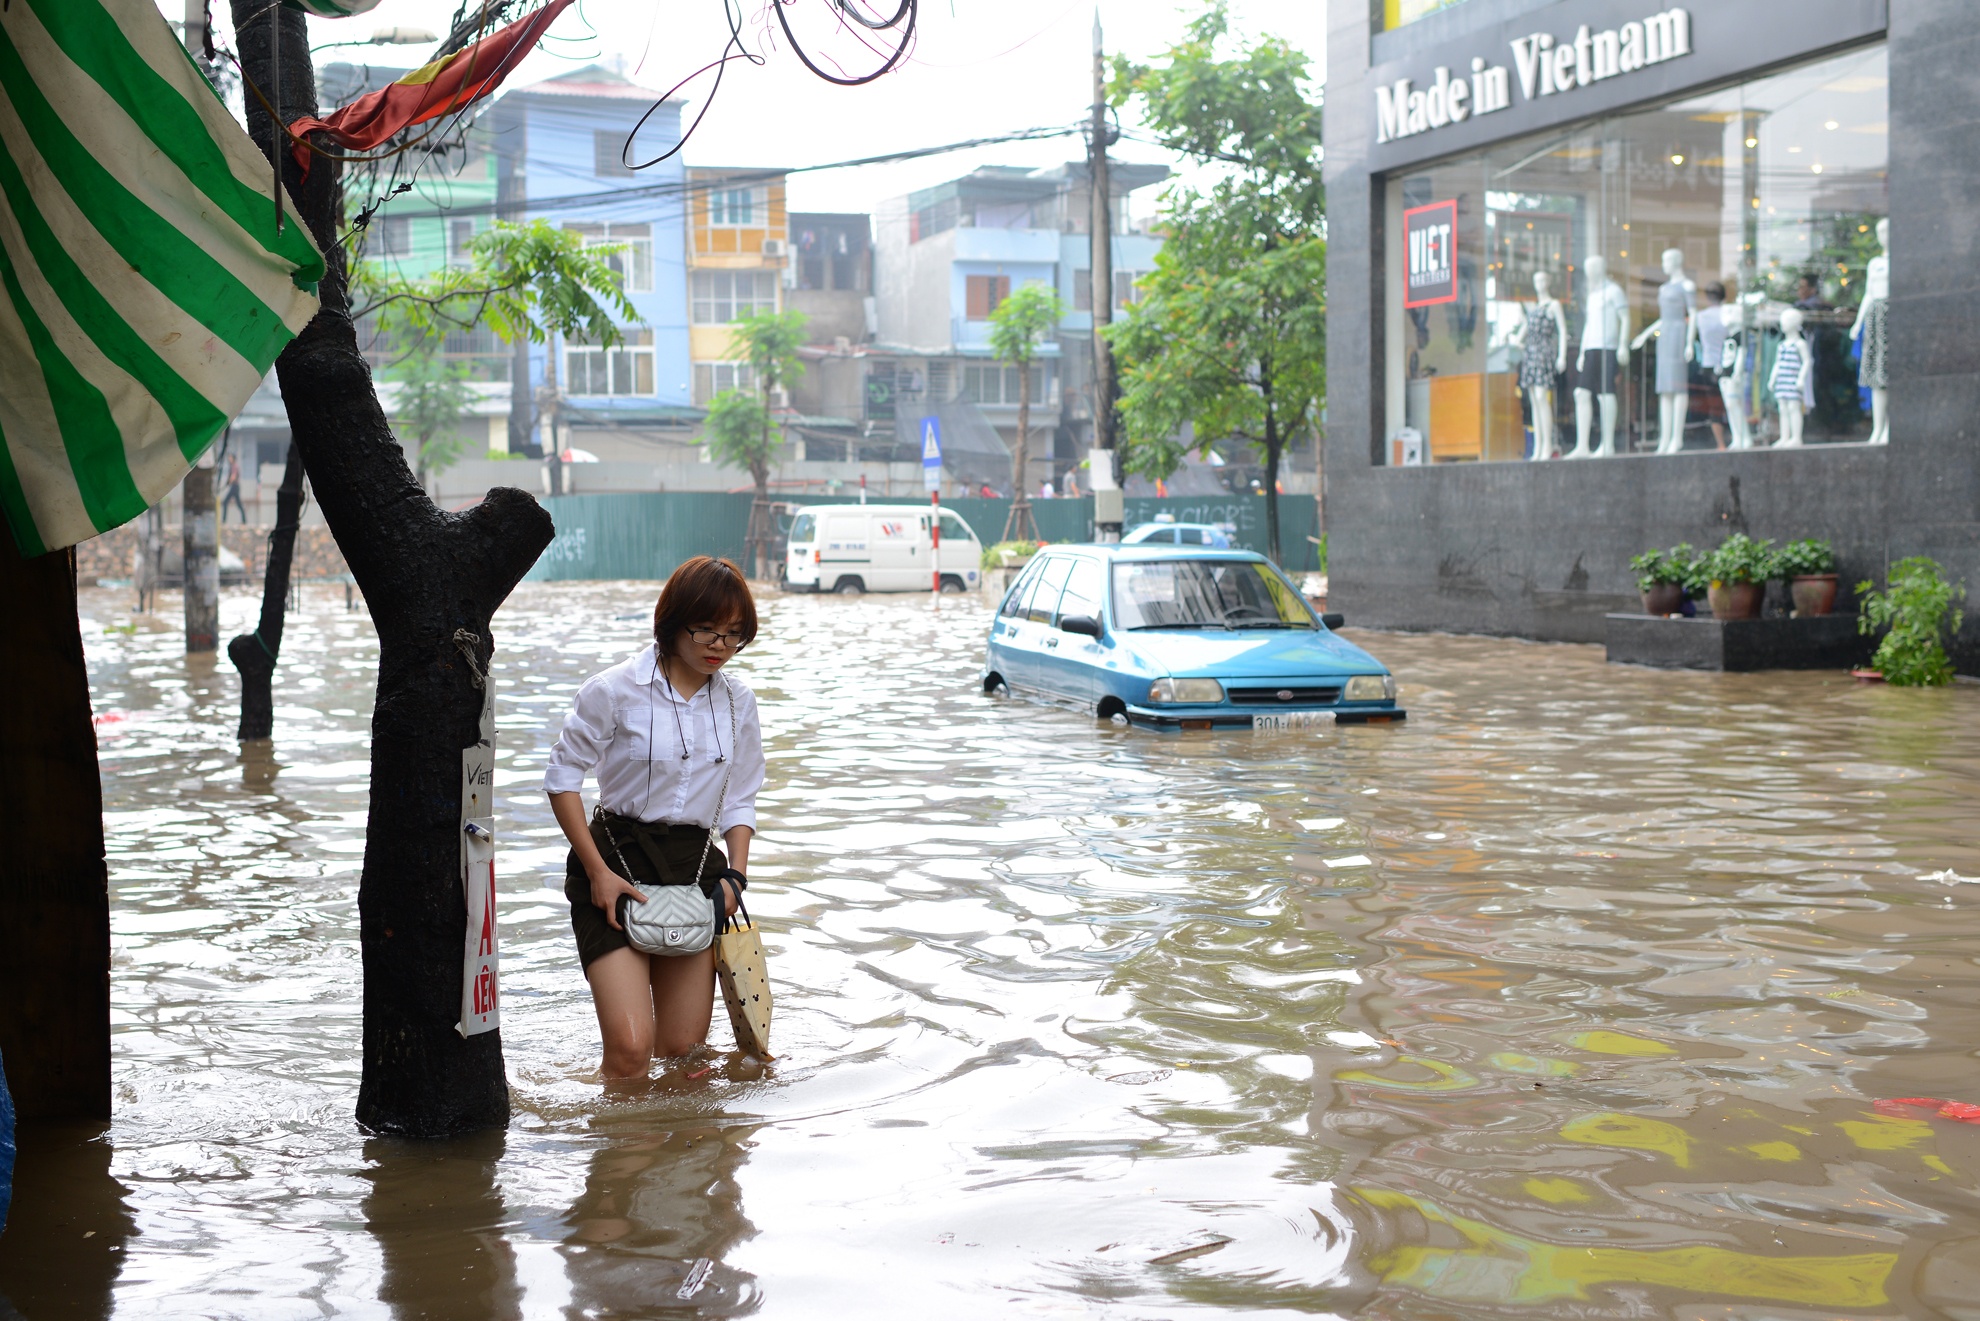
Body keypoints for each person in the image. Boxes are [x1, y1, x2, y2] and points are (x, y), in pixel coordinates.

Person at [544, 556, 766, 1079]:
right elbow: (562, 778)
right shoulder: (613, 690)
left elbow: (740, 797)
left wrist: (735, 876)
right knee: (630, 1051)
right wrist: (596, 871)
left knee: (682, 1051)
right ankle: (622, 1154)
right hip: (615, 862)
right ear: (672, 621)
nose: (720, 645)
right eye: (707, 628)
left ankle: (676, 1153)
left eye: (734, 634)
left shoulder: (739, 703)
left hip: (695, 873)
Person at [220, 451, 247, 524]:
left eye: (230, 457)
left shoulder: (234, 466)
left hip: (235, 487)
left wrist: (228, 482)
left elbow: (233, 476)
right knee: (239, 504)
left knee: (225, 502)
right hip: (235, 486)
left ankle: (224, 520)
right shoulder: (233, 466)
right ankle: (244, 520)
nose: (229, 459)